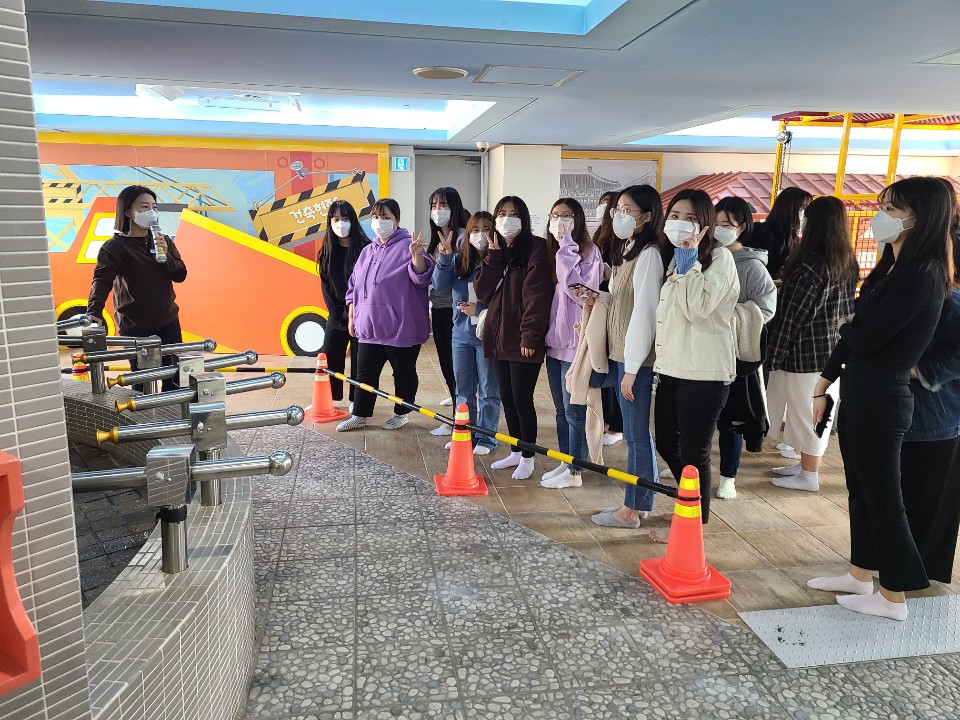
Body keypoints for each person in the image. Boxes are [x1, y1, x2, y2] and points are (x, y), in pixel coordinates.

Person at [808, 177, 954, 621]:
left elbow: (867, 338)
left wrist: (844, 325)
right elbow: (857, 335)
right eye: (883, 205)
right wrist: (824, 380)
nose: (881, 216)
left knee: (885, 497)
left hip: (884, 399)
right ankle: (859, 574)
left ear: (920, 218)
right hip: (861, 391)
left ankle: (893, 595)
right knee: (862, 492)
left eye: (892, 208)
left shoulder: (923, 273)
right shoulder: (892, 267)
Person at [651, 189, 739, 543]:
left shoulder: (719, 258)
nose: (679, 223)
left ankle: (693, 524)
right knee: (666, 444)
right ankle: (688, 504)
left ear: (704, 224)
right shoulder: (676, 259)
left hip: (704, 372)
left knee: (694, 452)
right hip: (672, 367)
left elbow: (697, 309)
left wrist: (689, 262)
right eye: (674, 215)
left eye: (689, 218)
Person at [765, 197, 858, 492]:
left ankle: (809, 475)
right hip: (832, 350)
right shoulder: (846, 260)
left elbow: (791, 316)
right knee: (810, 413)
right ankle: (804, 466)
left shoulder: (811, 265)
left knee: (810, 416)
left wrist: (774, 355)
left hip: (804, 354)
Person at [590, 184, 667, 529]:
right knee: (637, 434)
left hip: (635, 359)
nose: (618, 216)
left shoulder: (649, 254)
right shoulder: (627, 248)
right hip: (624, 354)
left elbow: (645, 314)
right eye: (617, 209)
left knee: (636, 435)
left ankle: (632, 510)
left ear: (647, 217)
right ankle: (641, 501)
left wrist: (633, 368)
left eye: (627, 210)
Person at [900, 184, 960, 584]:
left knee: (928, 500)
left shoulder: (940, 280)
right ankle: (899, 568)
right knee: (904, 496)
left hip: (937, 414)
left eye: (895, 209)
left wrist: (922, 371)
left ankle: (915, 575)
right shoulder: (905, 271)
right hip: (904, 410)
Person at [336, 198, 434, 432]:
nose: (380, 222)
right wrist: (353, 317)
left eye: (386, 217)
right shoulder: (367, 251)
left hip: (401, 329)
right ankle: (360, 415)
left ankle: (402, 413)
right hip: (369, 327)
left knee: (403, 373)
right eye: (376, 217)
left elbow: (421, 278)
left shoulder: (409, 246)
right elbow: (354, 287)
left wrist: (417, 256)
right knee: (364, 374)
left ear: (396, 220)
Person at [475, 196, 552, 480]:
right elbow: (483, 293)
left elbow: (537, 296)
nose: (507, 219)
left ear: (524, 218)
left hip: (522, 340)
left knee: (522, 399)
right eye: (502, 213)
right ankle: (516, 451)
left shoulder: (536, 247)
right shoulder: (496, 249)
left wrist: (530, 336)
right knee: (507, 398)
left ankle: (529, 457)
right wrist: (493, 259)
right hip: (498, 338)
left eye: (514, 213)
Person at [87, 185, 188, 391]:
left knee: (174, 378)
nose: (152, 211)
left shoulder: (163, 241)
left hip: (167, 321)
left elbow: (180, 274)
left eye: (154, 207)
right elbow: (102, 280)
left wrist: (166, 256)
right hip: (134, 326)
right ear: (128, 212)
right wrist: (94, 311)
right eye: (144, 206)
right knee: (142, 381)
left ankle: (170, 411)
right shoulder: (114, 247)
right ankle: (143, 411)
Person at [713, 196, 777, 500]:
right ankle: (688, 465)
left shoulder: (751, 267)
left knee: (730, 420)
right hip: (703, 351)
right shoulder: (707, 257)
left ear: (742, 227)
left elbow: (766, 309)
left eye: (727, 224)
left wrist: (730, 317)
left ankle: (729, 476)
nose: (719, 229)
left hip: (735, 354)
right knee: (697, 416)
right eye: (715, 222)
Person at [542, 198, 603, 489]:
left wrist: (566, 245)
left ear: (578, 219)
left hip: (576, 346)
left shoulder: (590, 252)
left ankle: (576, 470)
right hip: (554, 344)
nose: (560, 221)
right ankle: (566, 459)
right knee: (560, 410)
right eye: (555, 216)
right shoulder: (552, 251)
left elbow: (578, 291)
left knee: (574, 410)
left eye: (566, 215)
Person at [432, 211, 500, 455]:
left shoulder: (500, 263)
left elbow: (505, 301)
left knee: (489, 392)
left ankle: (487, 439)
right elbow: (439, 285)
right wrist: (444, 257)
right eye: (475, 230)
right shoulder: (460, 260)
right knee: (463, 391)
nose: (480, 235)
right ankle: (464, 435)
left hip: (488, 337)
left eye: (486, 229)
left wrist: (479, 309)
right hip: (461, 337)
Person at [318, 200, 370, 408]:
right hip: (336, 314)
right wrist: (336, 313)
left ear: (353, 221)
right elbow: (325, 286)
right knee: (329, 354)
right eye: (336, 219)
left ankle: (356, 400)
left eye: (345, 218)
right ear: (330, 222)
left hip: (361, 313)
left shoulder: (365, 248)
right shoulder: (327, 249)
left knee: (360, 360)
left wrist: (355, 313)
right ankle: (330, 397)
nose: (341, 223)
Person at [426, 187, 470, 434]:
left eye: (443, 205)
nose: (437, 211)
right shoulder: (436, 239)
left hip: (458, 312)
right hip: (440, 309)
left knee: (458, 370)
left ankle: (461, 421)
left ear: (454, 208)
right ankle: (457, 413)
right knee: (447, 365)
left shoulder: (463, 238)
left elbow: (461, 277)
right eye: (434, 206)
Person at [592, 190, 624, 447]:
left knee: (615, 372)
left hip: (616, 309)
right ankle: (605, 420)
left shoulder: (621, 239)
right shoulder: (599, 235)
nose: (603, 208)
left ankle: (617, 426)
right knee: (601, 367)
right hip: (599, 306)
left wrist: (609, 272)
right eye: (601, 203)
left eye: (608, 204)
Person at [747, 186, 812, 280]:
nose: (805, 214)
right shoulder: (760, 232)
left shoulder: (795, 239)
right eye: (803, 208)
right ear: (789, 208)